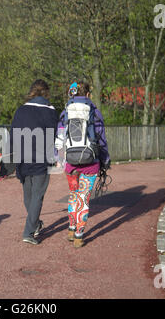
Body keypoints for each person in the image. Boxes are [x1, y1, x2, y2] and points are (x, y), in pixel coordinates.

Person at [55, 81, 110, 248]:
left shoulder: (65, 112)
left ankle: (71, 229)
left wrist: (59, 159)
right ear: (87, 95)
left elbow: (60, 137)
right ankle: (79, 235)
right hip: (90, 162)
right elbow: (101, 139)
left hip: (71, 163)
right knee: (84, 197)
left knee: (73, 195)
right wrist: (105, 161)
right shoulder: (94, 112)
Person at [10, 79, 59, 245]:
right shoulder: (51, 111)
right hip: (41, 157)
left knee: (29, 195)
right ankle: (29, 232)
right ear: (46, 93)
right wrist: (55, 157)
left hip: (22, 157)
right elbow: (54, 136)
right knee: (37, 196)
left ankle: (35, 224)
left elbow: (13, 133)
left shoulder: (21, 110)